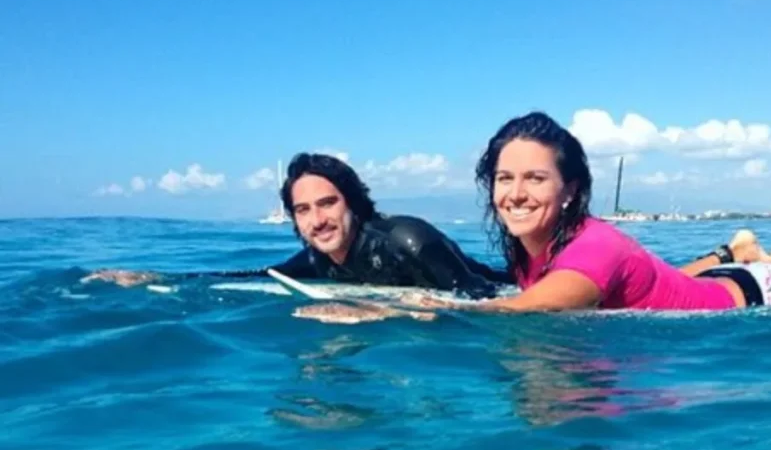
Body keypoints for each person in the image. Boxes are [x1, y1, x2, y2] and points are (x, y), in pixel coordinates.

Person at [296, 112, 771, 324]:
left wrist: (385, 311)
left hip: (762, 299)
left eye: (534, 178)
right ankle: (762, 249)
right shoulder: (536, 242)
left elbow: (519, 313)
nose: (514, 193)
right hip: (720, 283)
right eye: (504, 179)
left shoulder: (589, 251)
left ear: (571, 189)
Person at [84, 153, 514, 299]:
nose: (318, 220)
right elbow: (256, 276)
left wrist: (398, 310)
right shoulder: (318, 259)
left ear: (353, 204)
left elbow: (483, 299)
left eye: (327, 203)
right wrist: (155, 278)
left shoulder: (408, 240)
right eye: (303, 210)